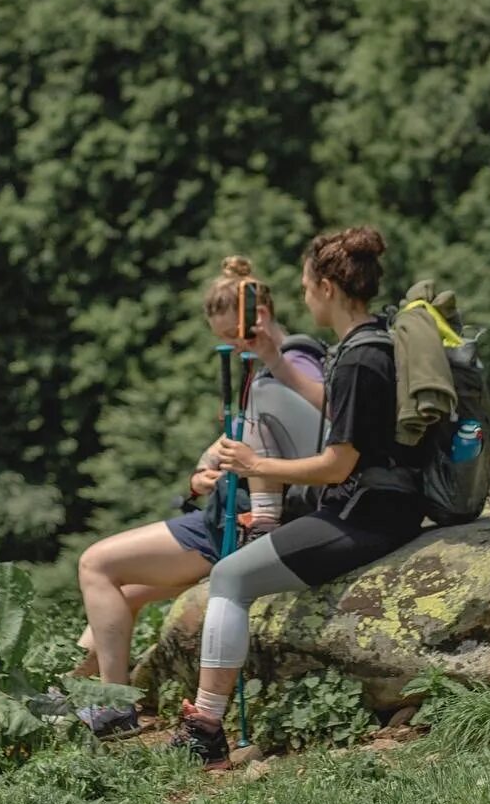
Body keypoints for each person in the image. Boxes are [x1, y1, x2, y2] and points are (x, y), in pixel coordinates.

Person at [170, 225, 427, 769]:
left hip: (370, 515)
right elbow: (339, 409)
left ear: (328, 287)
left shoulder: (360, 357)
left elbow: (338, 466)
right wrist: (274, 355)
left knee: (230, 577)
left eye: (308, 286)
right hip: (379, 506)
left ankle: (205, 729)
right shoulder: (367, 341)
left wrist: (255, 464)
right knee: (235, 573)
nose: (305, 295)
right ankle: (207, 726)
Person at [66, 257, 326, 738]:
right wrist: (200, 475)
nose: (230, 345)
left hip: (235, 528)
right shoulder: (263, 366)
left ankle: (112, 708)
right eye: (222, 336)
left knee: (96, 565)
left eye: (236, 333)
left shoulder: (294, 362)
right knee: (120, 594)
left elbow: (310, 432)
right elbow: (239, 436)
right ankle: (68, 691)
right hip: (221, 512)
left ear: (260, 316)